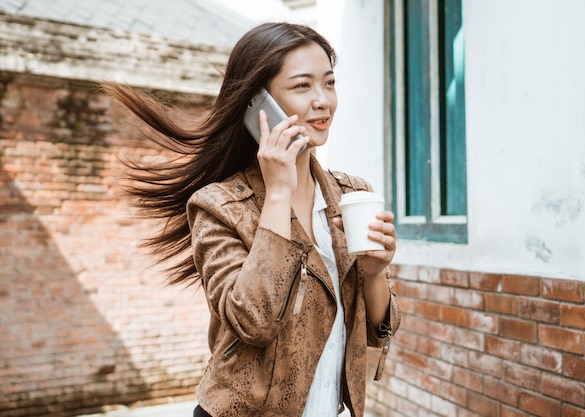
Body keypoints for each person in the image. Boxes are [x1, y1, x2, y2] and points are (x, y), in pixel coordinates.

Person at [104, 22, 401, 417]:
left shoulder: (349, 196)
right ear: (258, 104)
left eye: (329, 83)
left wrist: (376, 272)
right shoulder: (217, 205)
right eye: (302, 86)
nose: (323, 101)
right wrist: (278, 191)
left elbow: (377, 333)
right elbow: (255, 321)